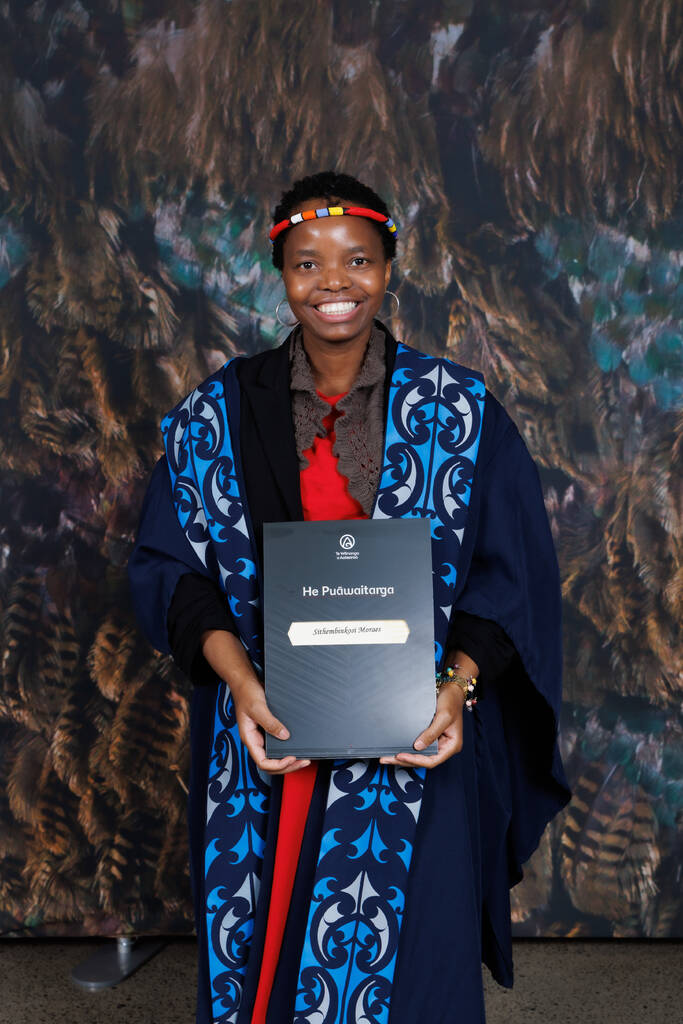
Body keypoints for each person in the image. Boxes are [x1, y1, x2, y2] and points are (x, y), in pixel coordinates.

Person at [128, 171, 570, 1024]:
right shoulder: (214, 414)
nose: (334, 283)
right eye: (308, 263)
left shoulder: (460, 412)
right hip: (270, 737)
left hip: (410, 742)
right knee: (268, 944)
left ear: (389, 268)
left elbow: (509, 577)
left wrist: (457, 687)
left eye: (356, 260)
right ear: (280, 273)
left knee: (408, 977)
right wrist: (240, 684)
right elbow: (168, 571)